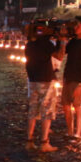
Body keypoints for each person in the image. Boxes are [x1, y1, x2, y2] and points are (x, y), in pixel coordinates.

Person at [24, 23, 61, 152]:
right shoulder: (46, 44)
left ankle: (29, 141)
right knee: (47, 111)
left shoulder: (29, 44)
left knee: (33, 110)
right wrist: (60, 39)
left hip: (32, 80)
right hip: (45, 80)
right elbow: (58, 55)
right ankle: (44, 142)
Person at [62, 16, 81, 139]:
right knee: (65, 105)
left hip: (77, 77)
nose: (75, 28)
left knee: (77, 104)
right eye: (75, 25)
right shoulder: (73, 41)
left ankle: (78, 133)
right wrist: (63, 39)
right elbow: (64, 52)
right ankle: (70, 131)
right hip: (67, 75)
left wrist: (80, 81)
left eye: (78, 25)